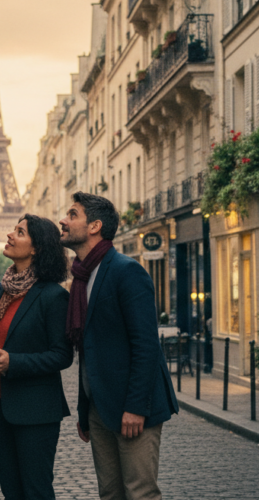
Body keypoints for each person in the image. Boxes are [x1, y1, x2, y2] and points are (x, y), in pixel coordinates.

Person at [58, 192, 178, 500]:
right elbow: (88, 350)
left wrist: (136, 407)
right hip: (99, 406)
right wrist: (85, 411)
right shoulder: (81, 278)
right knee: (110, 493)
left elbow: (146, 344)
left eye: (72, 214)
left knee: (140, 493)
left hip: (133, 406)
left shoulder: (126, 271)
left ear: (95, 226)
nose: (63, 220)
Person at [0, 215, 73, 500]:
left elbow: (62, 356)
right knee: (11, 491)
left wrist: (14, 362)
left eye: (20, 232)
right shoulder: (2, 289)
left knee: (36, 491)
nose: (11, 235)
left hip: (35, 410)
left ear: (37, 247)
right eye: (13, 230)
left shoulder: (52, 296)